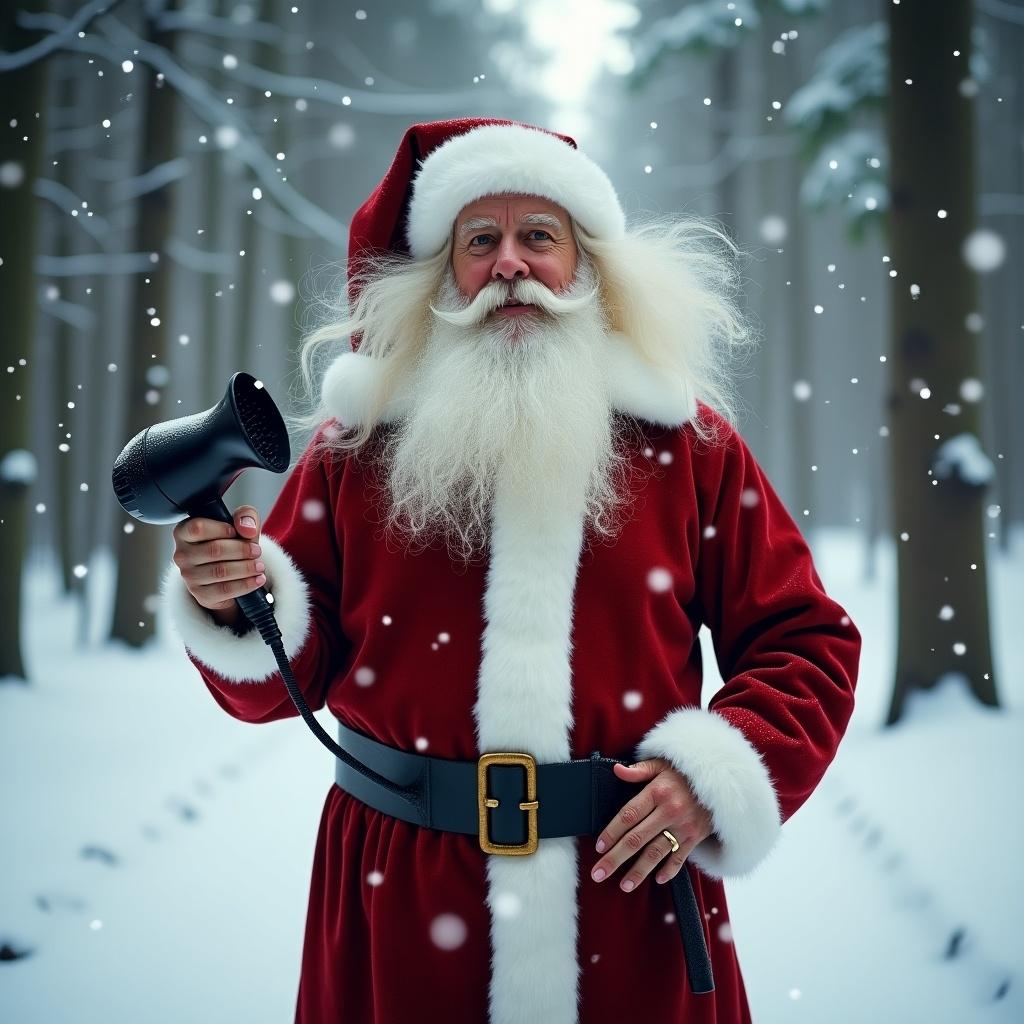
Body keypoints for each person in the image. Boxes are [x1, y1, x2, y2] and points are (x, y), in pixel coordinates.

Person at [162, 118, 861, 1024]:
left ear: (590, 266)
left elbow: (806, 642)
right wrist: (233, 600)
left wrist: (713, 777)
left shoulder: (690, 449)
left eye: (540, 237)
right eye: (480, 241)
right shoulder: (353, 454)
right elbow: (275, 686)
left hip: (631, 890)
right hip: (398, 900)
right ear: (439, 276)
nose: (511, 265)